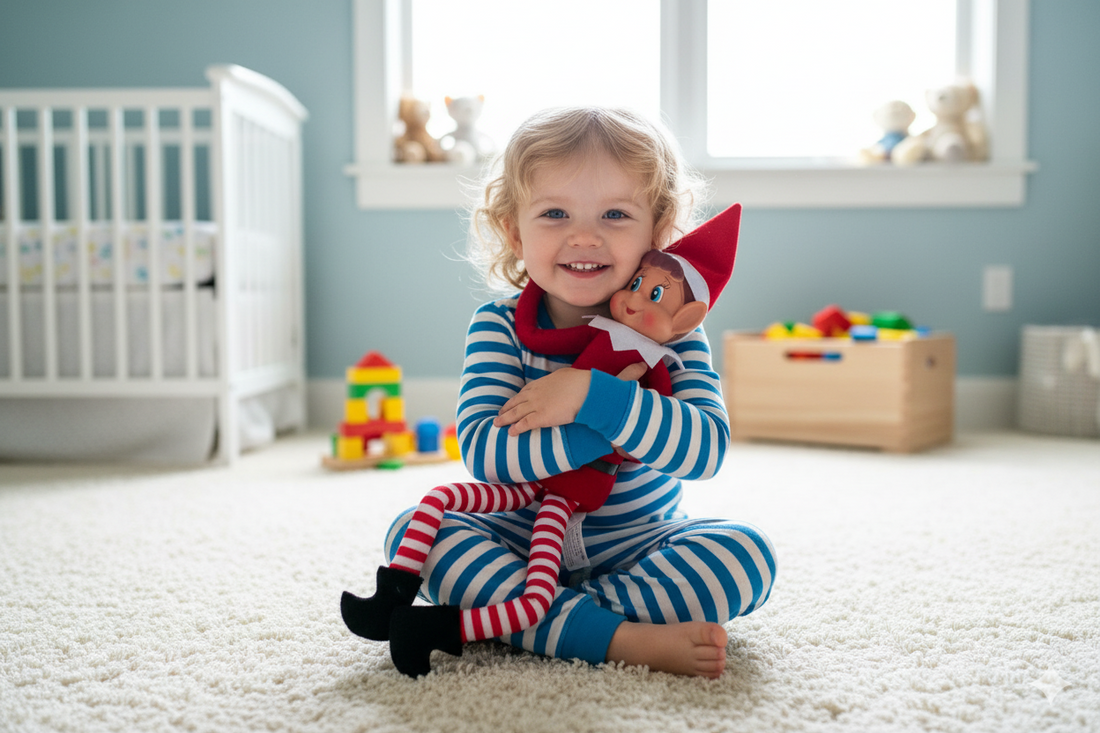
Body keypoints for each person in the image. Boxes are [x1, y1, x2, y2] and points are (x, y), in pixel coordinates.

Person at [343, 107, 776, 679]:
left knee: (747, 557)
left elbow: (704, 451)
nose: (585, 236)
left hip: (638, 544)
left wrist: (591, 395)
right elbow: (485, 453)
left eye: (616, 214)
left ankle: (540, 622)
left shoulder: (675, 334)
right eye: (554, 213)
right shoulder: (499, 326)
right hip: (517, 537)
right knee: (416, 532)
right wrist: (590, 423)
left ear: (659, 232)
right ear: (514, 232)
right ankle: (621, 639)